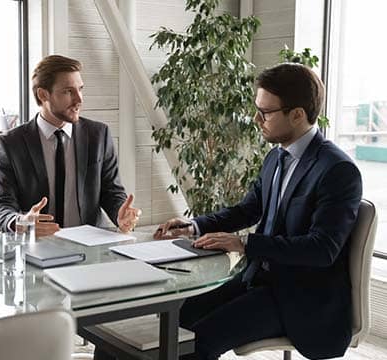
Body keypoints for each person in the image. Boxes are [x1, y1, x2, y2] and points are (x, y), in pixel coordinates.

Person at [95, 63, 362, 360]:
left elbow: (322, 249)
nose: (255, 119)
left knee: (197, 345)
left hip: (299, 297)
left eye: (265, 112)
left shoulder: (337, 170)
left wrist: (245, 244)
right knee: (174, 321)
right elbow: (248, 209)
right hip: (257, 280)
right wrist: (194, 226)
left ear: (297, 114)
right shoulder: (276, 157)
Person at [0, 55, 140, 236]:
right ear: (43, 94)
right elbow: (1, 205)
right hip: (38, 248)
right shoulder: (11, 143)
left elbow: (111, 192)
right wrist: (20, 222)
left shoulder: (98, 135)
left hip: (91, 246)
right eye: (68, 91)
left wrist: (121, 214)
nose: (79, 99)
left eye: (80, 89)